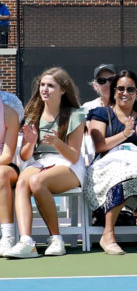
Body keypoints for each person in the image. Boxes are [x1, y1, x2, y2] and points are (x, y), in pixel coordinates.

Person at [4, 69, 86, 259]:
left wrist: (57, 142)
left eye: (50, 86)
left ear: (63, 90)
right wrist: (31, 141)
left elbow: (74, 156)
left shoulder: (75, 115)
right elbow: (25, 156)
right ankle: (27, 242)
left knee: (38, 182)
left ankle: (56, 239)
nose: (45, 89)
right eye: (42, 85)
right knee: (23, 183)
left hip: (68, 164)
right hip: (39, 161)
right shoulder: (33, 114)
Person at [85, 70, 137, 255]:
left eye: (130, 89)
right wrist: (125, 134)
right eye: (120, 88)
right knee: (122, 172)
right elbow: (100, 146)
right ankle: (108, 235)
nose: (125, 93)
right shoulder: (100, 113)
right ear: (113, 91)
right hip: (109, 162)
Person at [0, 91, 22, 255]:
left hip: (4, 165)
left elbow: (7, 156)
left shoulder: (9, 113)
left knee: (0, 174)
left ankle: (7, 236)